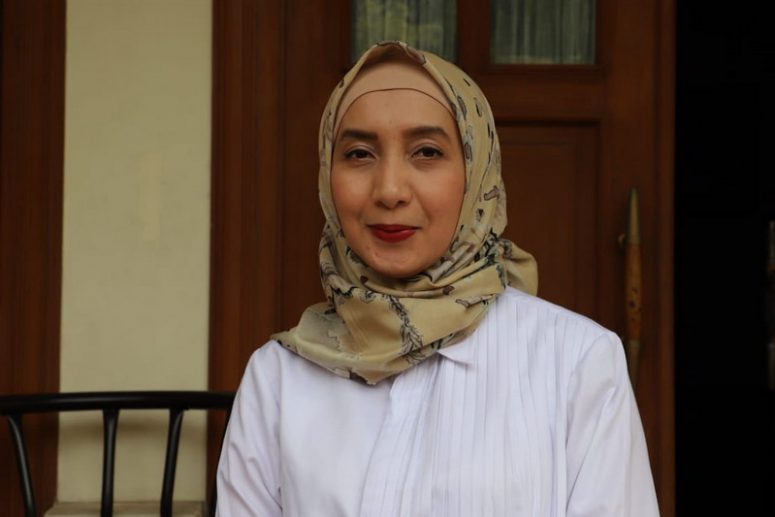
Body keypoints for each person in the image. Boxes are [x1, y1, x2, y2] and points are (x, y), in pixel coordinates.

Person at [216, 41, 659, 516]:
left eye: (426, 152)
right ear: (327, 176)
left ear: (476, 171)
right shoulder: (279, 379)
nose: (390, 190)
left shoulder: (576, 363)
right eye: (359, 153)